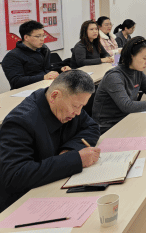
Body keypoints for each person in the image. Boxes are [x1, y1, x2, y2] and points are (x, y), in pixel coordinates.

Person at [0, 70, 101, 212]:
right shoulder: (20, 122)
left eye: (82, 107)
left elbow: (92, 127)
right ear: (54, 96)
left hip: (54, 186)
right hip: (24, 204)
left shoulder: (69, 104)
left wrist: (70, 149)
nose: (78, 113)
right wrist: (75, 160)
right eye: (75, 106)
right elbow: (15, 176)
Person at [93, 37, 146, 133]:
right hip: (108, 127)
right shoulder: (114, 76)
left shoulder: (137, 71)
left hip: (127, 119)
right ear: (131, 56)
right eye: (144, 58)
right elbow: (127, 106)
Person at [2, 20, 71, 90]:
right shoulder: (12, 56)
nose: (42, 39)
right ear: (26, 38)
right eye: (38, 36)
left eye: (43, 35)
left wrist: (60, 69)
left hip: (46, 86)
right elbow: (16, 81)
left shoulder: (43, 50)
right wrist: (43, 77)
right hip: (27, 91)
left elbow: (46, 69)